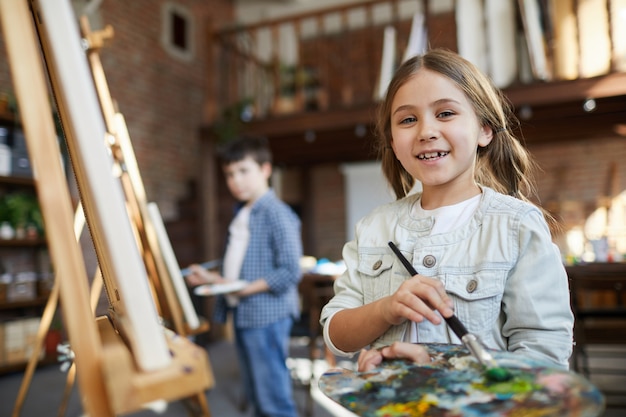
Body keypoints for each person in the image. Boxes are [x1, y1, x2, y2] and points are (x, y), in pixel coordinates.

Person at [320, 48, 574, 373]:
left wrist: (441, 368)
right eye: (408, 119)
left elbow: (545, 358)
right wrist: (386, 310)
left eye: (445, 114)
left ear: (484, 129)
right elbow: (336, 335)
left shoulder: (516, 226)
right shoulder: (374, 227)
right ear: (394, 143)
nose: (426, 131)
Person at [186, 136, 303, 417]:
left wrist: (242, 290)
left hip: (266, 315)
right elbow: (241, 267)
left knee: (273, 398)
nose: (235, 180)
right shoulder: (244, 212)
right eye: (229, 174)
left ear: (265, 169)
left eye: (243, 171)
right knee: (257, 395)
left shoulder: (276, 212)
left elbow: (290, 271)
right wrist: (211, 278)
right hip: (244, 313)